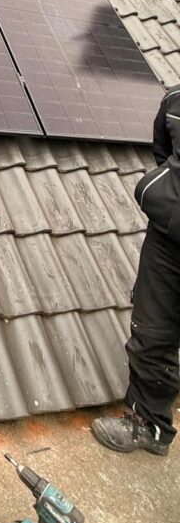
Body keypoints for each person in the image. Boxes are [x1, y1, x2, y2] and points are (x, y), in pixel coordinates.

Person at [92, 83, 180, 458]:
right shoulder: (176, 103)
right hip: (170, 245)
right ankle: (150, 423)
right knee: (151, 333)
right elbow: (163, 151)